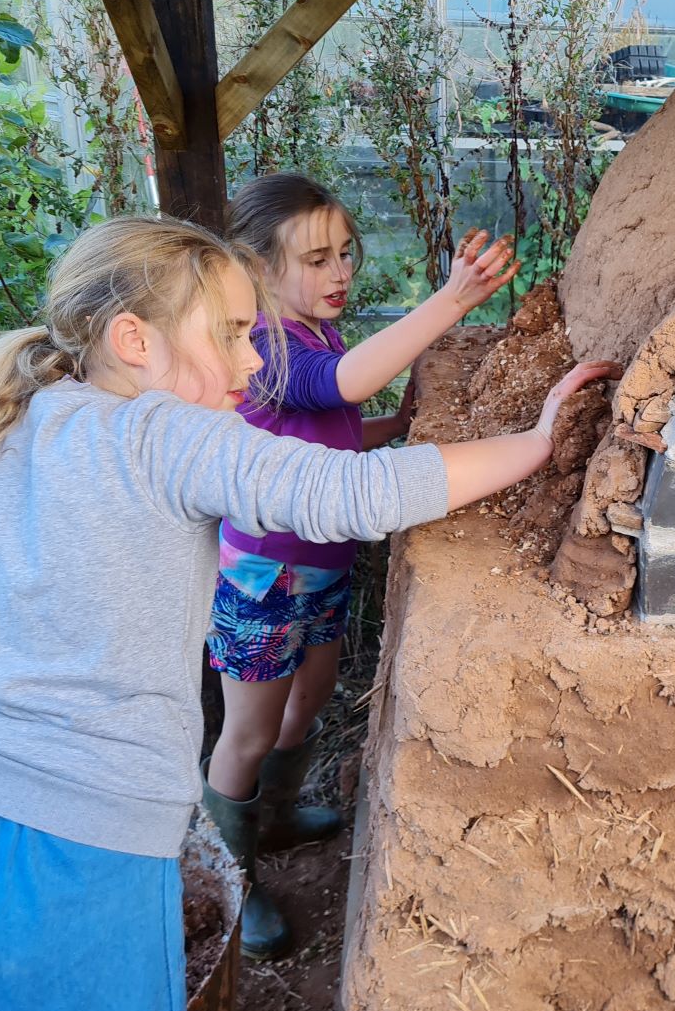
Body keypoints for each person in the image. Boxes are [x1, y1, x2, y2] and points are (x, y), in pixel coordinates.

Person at [0, 215, 614, 1011]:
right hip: (73, 855)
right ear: (133, 340)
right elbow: (353, 495)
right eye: (231, 332)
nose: (255, 359)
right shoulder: (158, 432)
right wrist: (539, 439)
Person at [205, 173, 518, 957]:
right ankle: (231, 878)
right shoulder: (264, 347)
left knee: (307, 701)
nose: (341, 272)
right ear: (255, 268)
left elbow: (335, 427)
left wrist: (399, 424)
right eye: (316, 259)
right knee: (248, 730)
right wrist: (451, 301)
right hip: (263, 578)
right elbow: (337, 386)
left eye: (346, 253)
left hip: (321, 568)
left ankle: (273, 819)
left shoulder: (314, 333)